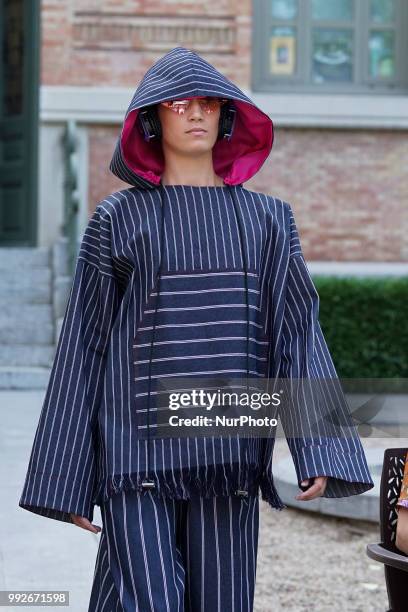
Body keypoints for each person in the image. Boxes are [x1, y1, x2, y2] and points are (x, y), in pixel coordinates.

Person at [19, 46, 374, 611]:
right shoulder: (119, 220)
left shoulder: (268, 221)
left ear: (227, 115)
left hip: (228, 453)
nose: (194, 112)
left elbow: (297, 333)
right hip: (136, 457)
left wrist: (322, 448)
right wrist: (68, 478)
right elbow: (83, 347)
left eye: (207, 101)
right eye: (177, 102)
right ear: (152, 120)